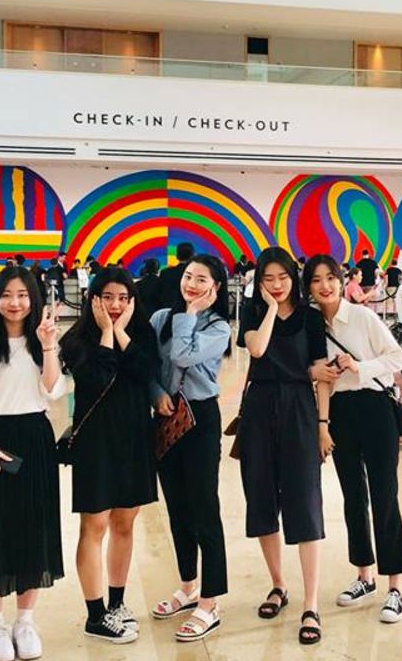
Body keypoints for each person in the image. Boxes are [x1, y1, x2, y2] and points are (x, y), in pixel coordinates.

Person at [0, 267, 66, 661]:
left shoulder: (43, 342)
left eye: (23, 295)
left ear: (33, 299)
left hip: (35, 438)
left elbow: (53, 391)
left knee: (32, 526)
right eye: (7, 295)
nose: (15, 302)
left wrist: (49, 344)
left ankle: (25, 620)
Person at [306, 255, 402, 624]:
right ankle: (364, 575)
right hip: (340, 415)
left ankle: (395, 587)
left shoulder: (363, 317)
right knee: (353, 496)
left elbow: (397, 357)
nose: (325, 286)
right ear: (309, 287)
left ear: (342, 279)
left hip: (376, 409)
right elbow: (319, 379)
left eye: (331, 278)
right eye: (317, 280)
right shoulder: (311, 327)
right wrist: (322, 423)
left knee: (385, 494)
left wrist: (359, 367)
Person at [59, 266, 160, 644]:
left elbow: (147, 370)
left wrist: (120, 333)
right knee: (94, 525)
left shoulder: (142, 333)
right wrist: (106, 334)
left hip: (134, 437)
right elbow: (96, 378)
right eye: (108, 297)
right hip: (95, 443)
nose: (116, 305)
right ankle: (95, 613)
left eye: (123, 298)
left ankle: (117, 602)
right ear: (93, 299)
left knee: (124, 522)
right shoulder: (78, 338)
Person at [237, 247, 332, 646]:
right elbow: (257, 349)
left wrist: (323, 426)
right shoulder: (252, 313)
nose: (277, 285)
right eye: (268, 279)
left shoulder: (311, 318)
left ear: (294, 277)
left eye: (283, 278)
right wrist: (271, 308)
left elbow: (322, 373)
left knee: (305, 501)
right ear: (259, 281)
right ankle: (278, 585)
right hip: (258, 408)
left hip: (299, 408)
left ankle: (311, 602)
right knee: (260, 499)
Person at [148, 255, 233, 641]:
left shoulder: (218, 328)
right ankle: (188, 585)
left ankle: (210, 601)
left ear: (216, 288)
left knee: (204, 508)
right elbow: (147, 365)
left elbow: (183, 355)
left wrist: (191, 313)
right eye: (187, 276)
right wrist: (156, 393)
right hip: (165, 415)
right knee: (177, 508)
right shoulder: (160, 318)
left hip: (200, 418)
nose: (191, 284)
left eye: (202, 279)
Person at [159, 242, 195, 311]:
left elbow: (160, 296)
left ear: (177, 256)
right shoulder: (197, 274)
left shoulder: (165, 273)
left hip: (168, 312)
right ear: (193, 255)